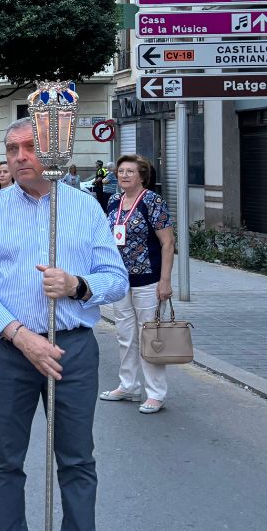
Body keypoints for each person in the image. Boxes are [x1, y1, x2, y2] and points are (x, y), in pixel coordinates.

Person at [0, 118, 127, 531]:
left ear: (50, 151)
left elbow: (114, 277)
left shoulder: (85, 208)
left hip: (72, 348)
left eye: (29, 146)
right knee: (5, 457)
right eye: (12, 148)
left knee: (76, 459)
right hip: (10, 350)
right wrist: (20, 336)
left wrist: (77, 285)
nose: (19, 156)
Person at [100, 154, 176, 415]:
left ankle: (155, 393)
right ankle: (129, 386)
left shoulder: (153, 202)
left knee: (150, 337)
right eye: (120, 171)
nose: (124, 175)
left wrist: (165, 280)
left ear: (142, 176)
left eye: (130, 171)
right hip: (121, 281)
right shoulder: (113, 201)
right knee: (125, 335)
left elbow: (168, 243)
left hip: (149, 281)